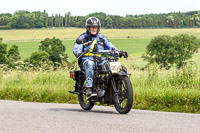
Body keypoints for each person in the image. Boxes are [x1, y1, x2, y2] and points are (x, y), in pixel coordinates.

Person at [73, 17, 119, 97]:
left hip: (100, 61)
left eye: (96, 27)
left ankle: (112, 87)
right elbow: (77, 47)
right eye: (92, 27)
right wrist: (79, 53)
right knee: (90, 64)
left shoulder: (102, 37)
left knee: (114, 65)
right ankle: (89, 88)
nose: (94, 29)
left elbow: (110, 46)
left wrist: (118, 52)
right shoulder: (82, 37)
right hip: (87, 60)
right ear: (88, 28)